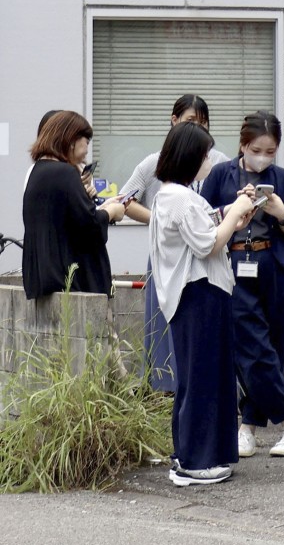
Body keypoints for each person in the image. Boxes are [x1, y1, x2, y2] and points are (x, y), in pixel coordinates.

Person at [149, 122, 254, 486]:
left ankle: (194, 455)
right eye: (205, 153)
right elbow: (208, 245)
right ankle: (196, 462)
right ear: (191, 157)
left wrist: (234, 216)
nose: (209, 159)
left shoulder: (170, 194)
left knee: (199, 377)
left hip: (196, 293)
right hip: (200, 293)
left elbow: (207, 232)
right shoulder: (178, 197)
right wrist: (238, 208)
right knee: (204, 377)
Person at [201, 111, 284, 458]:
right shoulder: (221, 173)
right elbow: (205, 219)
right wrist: (236, 207)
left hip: (273, 265)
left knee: (273, 349)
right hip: (234, 262)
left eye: (271, 151)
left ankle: (247, 427)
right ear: (243, 145)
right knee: (251, 347)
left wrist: (280, 212)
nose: (264, 157)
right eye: (258, 149)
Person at [121, 94, 231, 392]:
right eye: (191, 122)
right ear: (174, 121)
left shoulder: (219, 162)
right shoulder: (155, 164)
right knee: (163, 321)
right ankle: (162, 387)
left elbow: (218, 213)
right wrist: (162, 219)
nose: (199, 129)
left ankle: (187, 388)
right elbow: (125, 201)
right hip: (171, 254)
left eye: (203, 123)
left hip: (204, 259)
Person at [22, 111, 126, 299]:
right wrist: (111, 212)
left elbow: (67, 220)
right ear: (71, 139)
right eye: (86, 140)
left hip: (44, 279)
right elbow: (89, 226)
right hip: (72, 282)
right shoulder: (66, 173)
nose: (87, 149)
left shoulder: (38, 171)